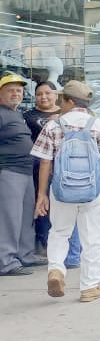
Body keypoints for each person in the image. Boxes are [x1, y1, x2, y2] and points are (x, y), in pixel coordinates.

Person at [33, 81, 100, 302]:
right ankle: (89, 287)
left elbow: (45, 162)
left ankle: (56, 269)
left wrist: (42, 194)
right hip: (91, 192)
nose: (59, 103)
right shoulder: (99, 125)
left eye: (61, 99)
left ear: (69, 101)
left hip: (61, 191)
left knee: (59, 232)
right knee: (92, 237)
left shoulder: (53, 126)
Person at [23, 81, 81, 268]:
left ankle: (72, 253)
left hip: (64, 169)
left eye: (48, 93)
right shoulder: (27, 116)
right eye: (39, 94)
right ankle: (49, 248)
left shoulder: (68, 115)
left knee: (67, 210)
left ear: (57, 95)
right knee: (43, 208)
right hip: (38, 169)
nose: (43, 97)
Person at [0, 73, 46, 276]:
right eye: (10, 90)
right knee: (9, 218)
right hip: (8, 171)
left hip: (25, 172)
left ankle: (25, 255)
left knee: (26, 216)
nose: (16, 94)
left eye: (19, 90)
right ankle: (6, 262)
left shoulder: (16, 114)